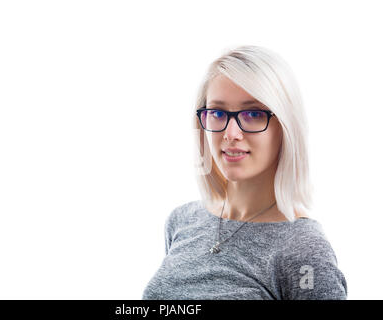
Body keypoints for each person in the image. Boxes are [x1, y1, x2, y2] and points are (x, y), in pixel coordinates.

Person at [142, 45, 347, 300]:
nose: (230, 134)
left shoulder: (304, 250)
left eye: (252, 113)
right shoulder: (182, 220)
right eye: (217, 113)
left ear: (285, 126)